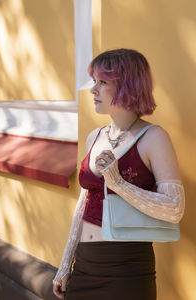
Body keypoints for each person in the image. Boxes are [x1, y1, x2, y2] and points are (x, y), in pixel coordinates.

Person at [52, 49, 185, 300]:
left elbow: (174, 208)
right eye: (94, 81)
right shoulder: (95, 136)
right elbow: (84, 203)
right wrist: (65, 264)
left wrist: (117, 183)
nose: (93, 90)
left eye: (103, 82)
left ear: (128, 86)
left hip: (126, 269)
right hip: (84, 265)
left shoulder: (154, 137)